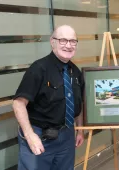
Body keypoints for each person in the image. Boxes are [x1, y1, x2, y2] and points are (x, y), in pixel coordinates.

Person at [12, 25, 84, 170]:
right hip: (40, 136)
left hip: (67, 137)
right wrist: (30, 135)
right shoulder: (39, 68)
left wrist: (80, 130)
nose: (68, 45)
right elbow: (18, 103)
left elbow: (79, 103)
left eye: (73, 41)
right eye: (63, 40)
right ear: (53, 42)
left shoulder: (75, 72)